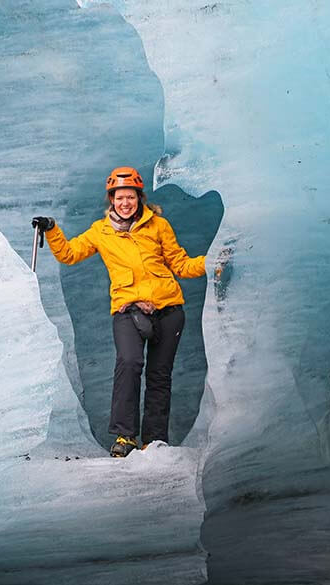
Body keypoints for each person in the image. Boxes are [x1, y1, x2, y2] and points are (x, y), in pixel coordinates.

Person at [32, 167, 207, 457]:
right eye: (119, 197)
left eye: (130, 197)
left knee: (159, 375)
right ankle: (125, 437)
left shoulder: (158, 226)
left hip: (168, 309)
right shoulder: (100, 232)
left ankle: (154, 441)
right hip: (128, 310)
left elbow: (181, 265)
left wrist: (210, 261)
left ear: (140, 198)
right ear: (111, 200)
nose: (125, 203)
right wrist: (51, 229)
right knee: (128, 364)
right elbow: (69, 254)